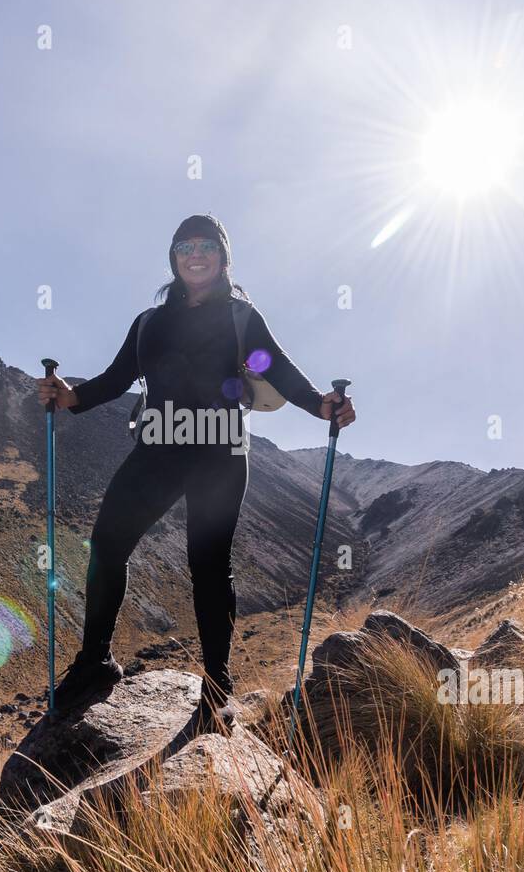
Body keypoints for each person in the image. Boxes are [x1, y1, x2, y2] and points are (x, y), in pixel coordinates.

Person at [37, 214, 356, 731]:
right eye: (185, 245)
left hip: (220, 450)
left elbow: (276, 366)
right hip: (159, 445)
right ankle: (95, 663)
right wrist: (69, 397)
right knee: (108, 545)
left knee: (208, 566)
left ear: (223, 257)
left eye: (207, 244)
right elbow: (117, 378)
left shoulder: (240, 316)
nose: (195, 252)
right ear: (174, 257)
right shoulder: (149, 322)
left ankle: (217, 685)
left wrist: (323, 404)